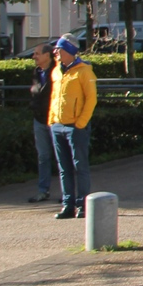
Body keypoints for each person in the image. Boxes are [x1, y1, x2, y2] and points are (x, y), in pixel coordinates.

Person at [47, 37, 97, 220]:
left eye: (58, 49)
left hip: (75, 127)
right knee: (64, 168)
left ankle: (83, 205)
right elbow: (54, 97)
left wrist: (80, 123)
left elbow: (91, 99)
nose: (55, 52)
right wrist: (52, 120)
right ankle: (68, 205)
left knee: (80, 166)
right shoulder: (56, 71)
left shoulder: (84, 71)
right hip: (57, 125)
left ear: (68, 50)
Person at [27, 44, 58, 204]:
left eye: (37, 53)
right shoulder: (36, 72)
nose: (34, 56)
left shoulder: (58, 71)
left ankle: (67, 193)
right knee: (43, 156)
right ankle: (43, 190)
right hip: (39, 119)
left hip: (55, 119)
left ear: (47, 55)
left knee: (61, 157)